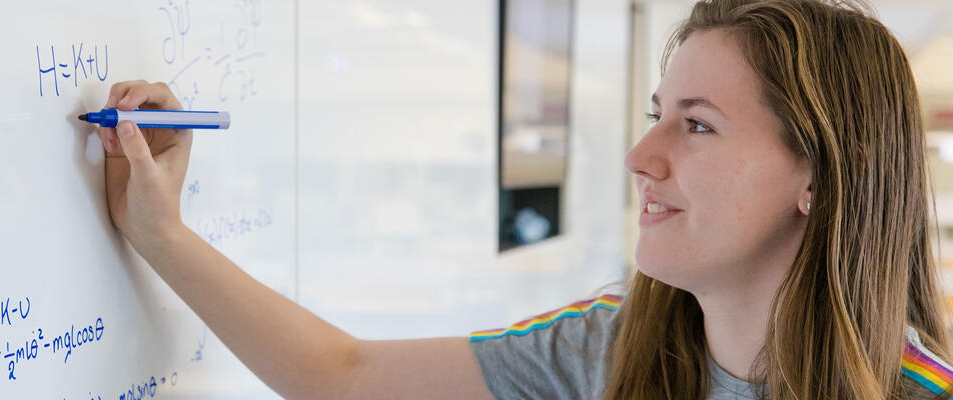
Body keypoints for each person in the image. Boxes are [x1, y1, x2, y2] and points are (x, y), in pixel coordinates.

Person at [92, 0, 953, 398]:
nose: (639, 156)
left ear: (822, 173)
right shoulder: (616, 347)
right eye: (657, 116)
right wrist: (160, 233)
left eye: (697, 127)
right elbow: (341, 377)